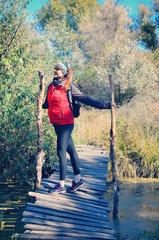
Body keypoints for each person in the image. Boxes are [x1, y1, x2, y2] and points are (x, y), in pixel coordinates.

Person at [42, 61, 116, 194]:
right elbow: (47, 104)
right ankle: (78, 180)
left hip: (66, 123)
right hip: (56, 123)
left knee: (60, 151)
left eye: (57, 69)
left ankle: (61, 185)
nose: (54, 71)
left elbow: (86, 99)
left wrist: (106, 105)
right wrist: (40, 102)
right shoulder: (51, 86)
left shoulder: (69, 87)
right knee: (71, 150)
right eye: (54, 68)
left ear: (63, 72)